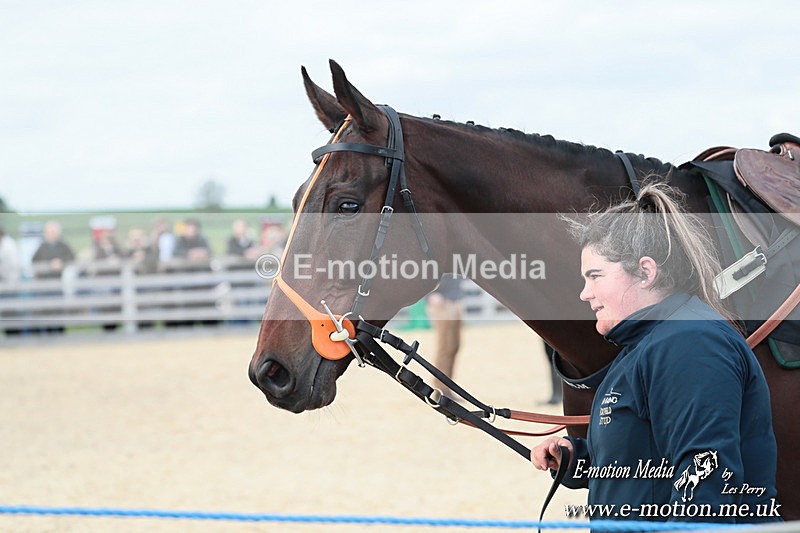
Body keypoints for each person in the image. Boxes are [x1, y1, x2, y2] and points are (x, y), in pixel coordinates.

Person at [530, 182, 780, 524]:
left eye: (595, 276)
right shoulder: (650, 343)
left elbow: (705, 489)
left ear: (646, 272)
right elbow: (649, 459)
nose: (585, 294)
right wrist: (579, 458)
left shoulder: (691, 344)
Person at [425, 273, 464, 394]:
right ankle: (440, 389)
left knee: (454, 346)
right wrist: (431, 295)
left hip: (455, 300)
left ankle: (447, 387)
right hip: (442, 302)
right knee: (445, 347)